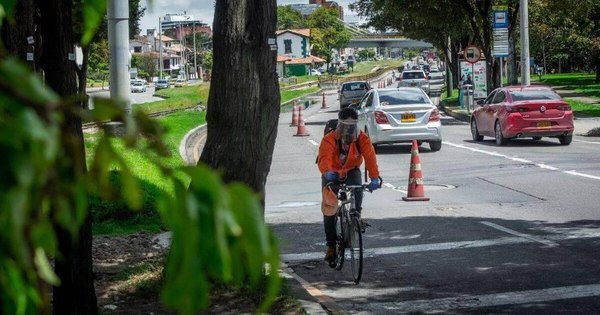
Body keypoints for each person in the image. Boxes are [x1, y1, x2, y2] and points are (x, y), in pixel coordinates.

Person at [317, 107, 381, 265]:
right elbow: (324, 157)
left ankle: (356, 216)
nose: (348, 130)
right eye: (345, 126)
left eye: (352, 126)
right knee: (329, 208)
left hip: (352, 170)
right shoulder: (329, 139)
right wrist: (327, 172)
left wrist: (374, 178)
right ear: (340, 125)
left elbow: (370, 157)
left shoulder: (362, 139)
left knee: (358, 189)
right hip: (332, 172)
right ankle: (331, 246)